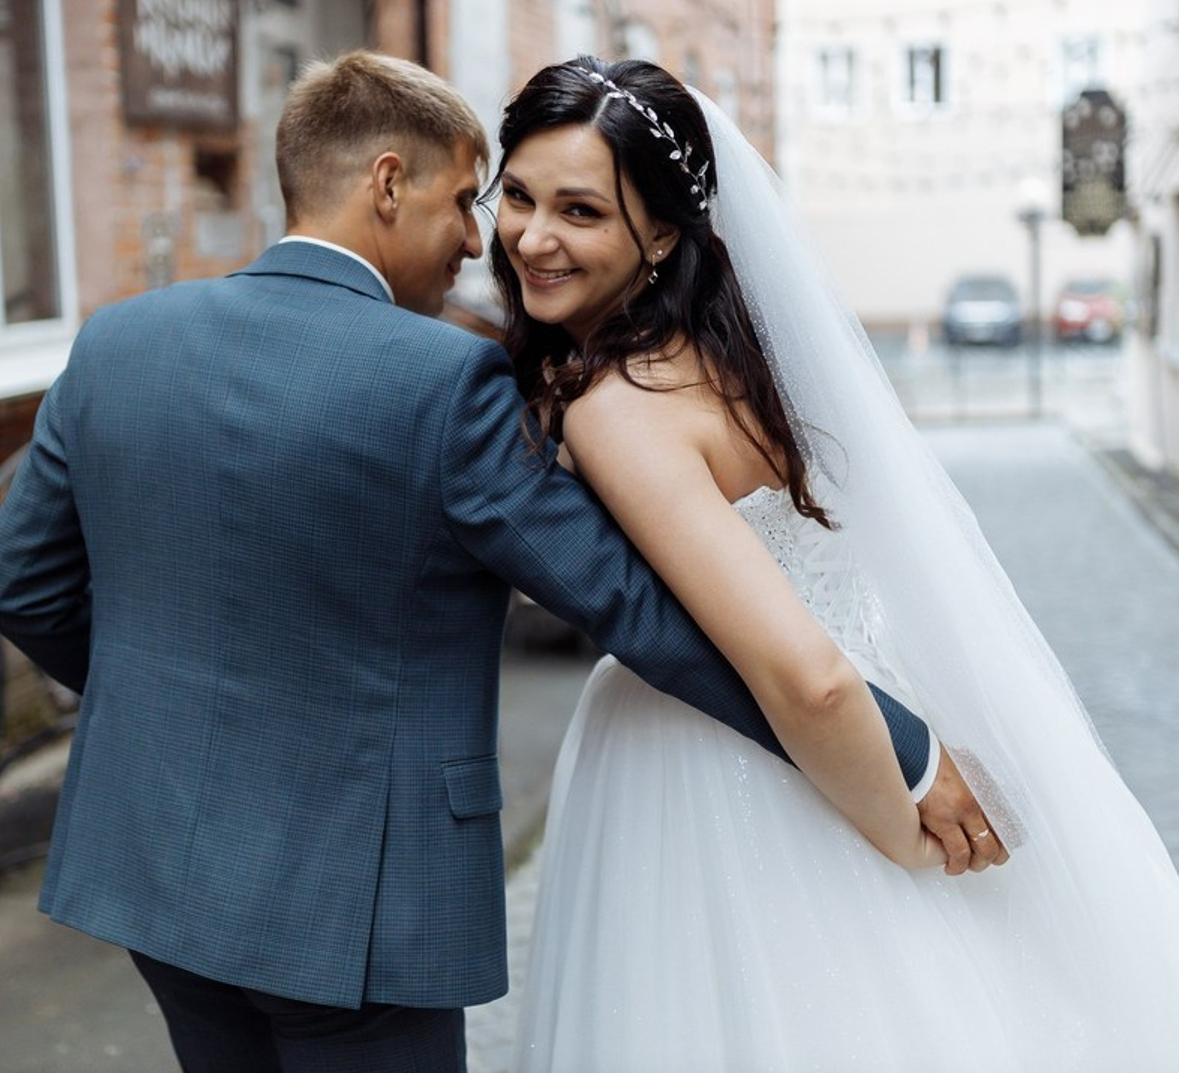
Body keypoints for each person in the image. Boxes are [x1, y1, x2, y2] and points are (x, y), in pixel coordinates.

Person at [0, 51, 976, 1073]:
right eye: (468, 200)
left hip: (154, 867)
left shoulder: (116, 341)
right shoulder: (442, 382)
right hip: (352, 895)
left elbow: (16, 583)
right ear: (387, 184)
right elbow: (637, 610)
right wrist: (897, 749)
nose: (475, 239)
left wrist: (172, 705)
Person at [489, 56, 1179, 1072]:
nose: (532, 237)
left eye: (580, 211)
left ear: (661, 234)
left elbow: (806, 678)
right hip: (876, 708)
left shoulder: (618, 406)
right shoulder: (732, 353)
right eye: (517, 195)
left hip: (738, 764)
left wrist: (896, 828)